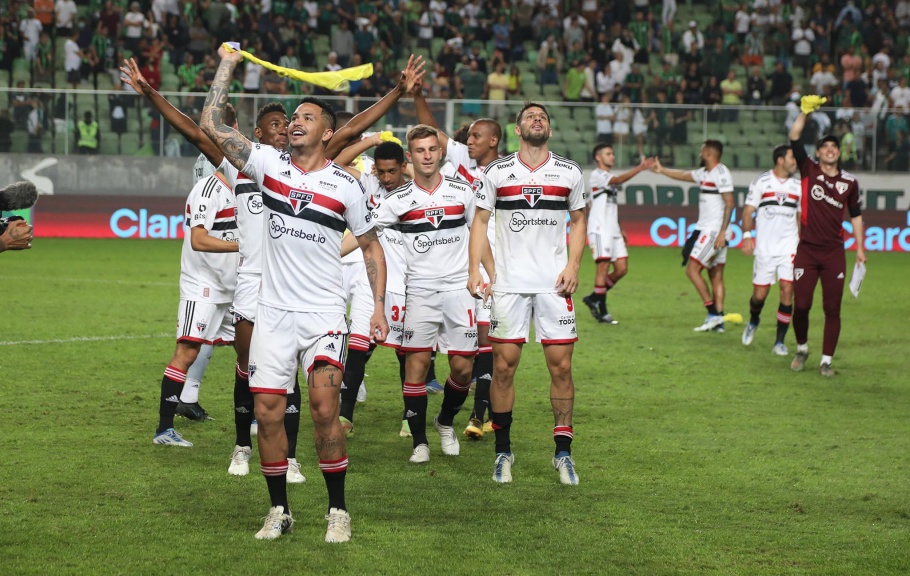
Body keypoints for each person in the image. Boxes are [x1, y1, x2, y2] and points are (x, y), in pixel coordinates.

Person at [201, 46, 389, 543]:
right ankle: (280, 510)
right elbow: (211, 126)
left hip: (325, 314)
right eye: (294, 118)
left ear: (327, 132)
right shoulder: (267, 165)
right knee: (267, 413)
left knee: (326, 411)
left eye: (307, 117)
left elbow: (371, 246)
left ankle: (337, 511)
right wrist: (228, 64)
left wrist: (380, 309)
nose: (296, 123)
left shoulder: (346, 186)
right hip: (273, 314)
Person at [468, 103, 587, 485]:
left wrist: (573, 265)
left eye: (544, 117)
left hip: (555, 285)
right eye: (531, 117)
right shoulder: (497, 172)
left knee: (562, 368)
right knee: (502, 368)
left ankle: (563, 454)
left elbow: (580, 219)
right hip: (509, 285)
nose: (538, 120)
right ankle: (503, 451)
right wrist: (477, 269)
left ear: (549, 130)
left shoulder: (569, 172)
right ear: (517, 129)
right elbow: (480, 222)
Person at [373, 124, 492, 463]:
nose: (427, 155)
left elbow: (478, 235)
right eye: (420, 151)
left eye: (432, 149)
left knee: (462, 370)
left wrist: (491, 275)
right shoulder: (397, 200)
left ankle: (444, 421)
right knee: (417, 366)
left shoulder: (463, 192)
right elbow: (366, 236)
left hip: (460, 290)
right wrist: (332, 252)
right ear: (410, 157)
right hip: (421, 292)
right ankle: (420, 442)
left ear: (440, 153)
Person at [413, 87, 502, 440]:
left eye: (477, 135)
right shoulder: (464, 161)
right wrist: (418, 95)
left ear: (494, 140)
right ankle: (470, 414)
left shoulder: (507, 171)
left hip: (495, 266)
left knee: (488, 341)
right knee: (470, 346)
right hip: (461, 266)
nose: (470, 139)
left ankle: (480, 415)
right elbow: (431, 132)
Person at [151, 158, 239, 448]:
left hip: (234, 287)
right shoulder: (207, 189)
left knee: (252, 351)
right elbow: (198, 240)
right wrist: (243, 245)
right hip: (203, 286)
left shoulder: (244, 190)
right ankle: (164, 429)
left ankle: (252, 419)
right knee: (186, 352)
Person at [787, 96, 866, 376]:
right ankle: (802, 348)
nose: (830, 150)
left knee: (832, 308)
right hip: (807, 251)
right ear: (818, 153)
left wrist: (860, 247)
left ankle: (826, 361)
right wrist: (804, 112)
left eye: (834, 146)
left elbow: (855, 214)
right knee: (802, 306)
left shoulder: (850, 183)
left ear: (838, 153)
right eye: (825, 147)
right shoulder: (808, 171)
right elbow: (794, 136)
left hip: (834, 253)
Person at [653, 141, 735, 332]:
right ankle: (719, 322)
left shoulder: (721, 172)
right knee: (715, 275)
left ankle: (713, 313)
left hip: (714, 232)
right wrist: (662, 170)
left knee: (692, 270)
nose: (700, 152)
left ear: (708, 152)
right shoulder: (704, 173)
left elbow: (730, 202)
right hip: (708, 229)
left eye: (702, 149)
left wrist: (722, 232)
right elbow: (684, 175)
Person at [581, 144, 654, 325]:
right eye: (608, 153)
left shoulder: (607, 179)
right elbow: (619, 180)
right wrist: (640, 167)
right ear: (598, 157)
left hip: (612, 229)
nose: (612, 156)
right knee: (603, 268)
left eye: (612, 153)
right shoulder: (598, 176)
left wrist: (620, 228)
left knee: (621, 269)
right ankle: (603, 312)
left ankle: (593, 297)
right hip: (599, 229)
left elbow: (609, 207)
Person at [740, 145, 802, 355]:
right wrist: (747, 236)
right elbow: (748, 211)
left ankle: (779, 342)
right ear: (780, 160)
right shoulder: (762, 182)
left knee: (787, 290)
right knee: (759, 296)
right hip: (765, 249)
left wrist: (801, 241)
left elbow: (800, 216)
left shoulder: (798, 185)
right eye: (792, 157)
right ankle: (753, 320)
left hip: (789, 247)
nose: (795, 161)